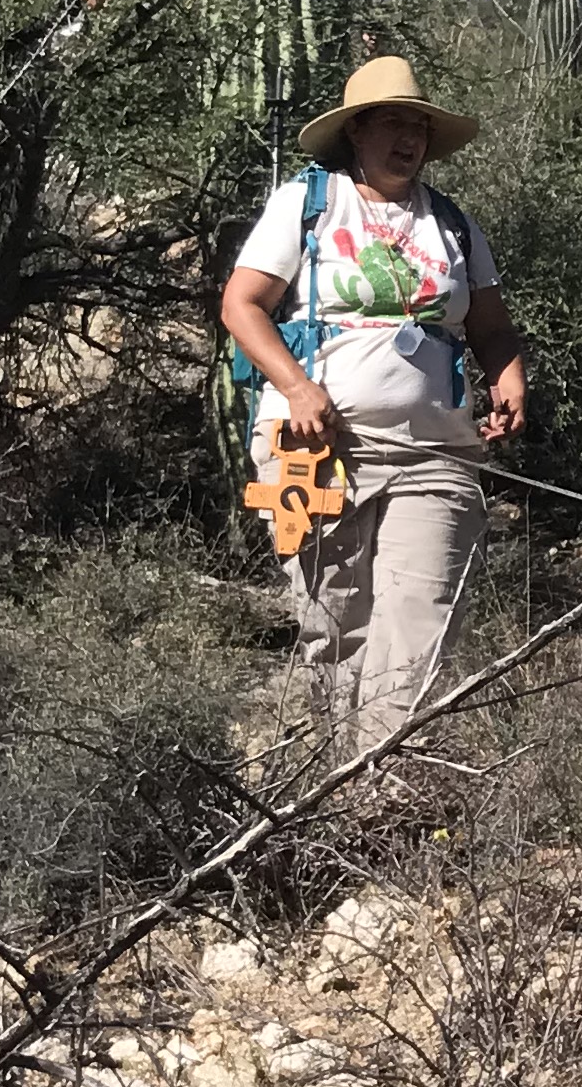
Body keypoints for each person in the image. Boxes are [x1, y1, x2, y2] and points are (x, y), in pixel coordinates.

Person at [220, 56, 525, 758]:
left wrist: (509, 376)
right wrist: (297, 388)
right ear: (356, 132)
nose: (409, 137)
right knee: (335, 625)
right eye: (394, 121)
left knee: (417, 626)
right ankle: (329, 787)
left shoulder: (451, 223)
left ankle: (381, 796)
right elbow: (242, 304)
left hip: (436, 454)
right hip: (317, 452)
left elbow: (491, 328)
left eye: (419, 125)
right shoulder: (309, 203)